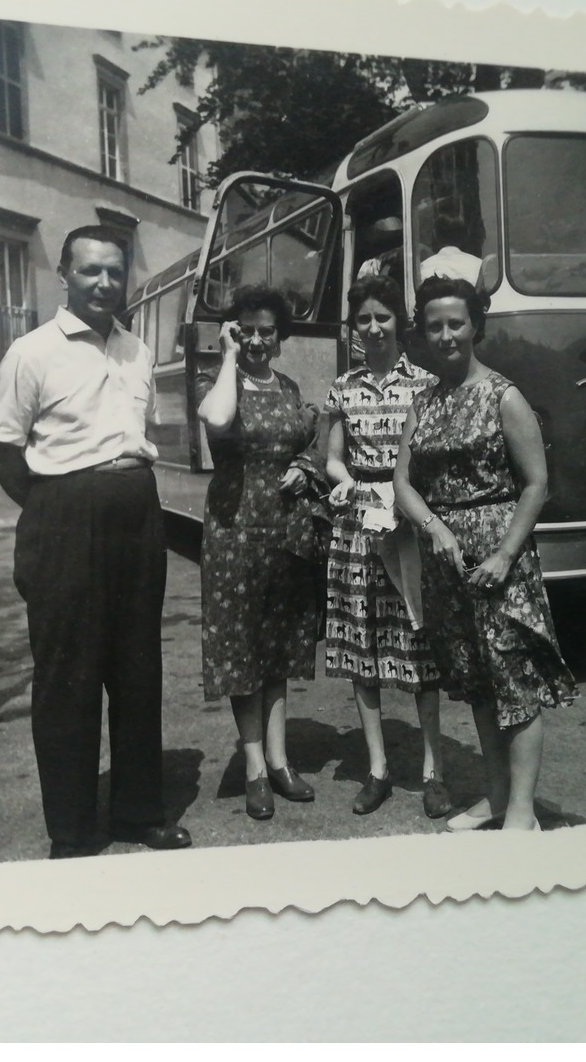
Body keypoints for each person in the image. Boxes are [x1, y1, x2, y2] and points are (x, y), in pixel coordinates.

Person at [0, 225, 191, 859]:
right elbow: (3, 450)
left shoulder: (138, 351)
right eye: (90, 271)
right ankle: (72, 830)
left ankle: (138, 812)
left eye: (114, 272)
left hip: (136, 514)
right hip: (63, 518)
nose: (104, 283)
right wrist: (56, 510)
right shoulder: (32, 352)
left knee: (136, 670)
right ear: (65, 277)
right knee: (67, 677)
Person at [392, 277, 578, 832]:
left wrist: (502, 555)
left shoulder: (504, 395)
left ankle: (522, 810)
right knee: (476, 679)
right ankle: (496, 797)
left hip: (501, 558)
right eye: (434, 326)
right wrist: (434, 527)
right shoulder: (422, 403)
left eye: (456, 323)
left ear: (475, 326)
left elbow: (536, 484)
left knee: (513, 680)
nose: (446, 335)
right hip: (446, 562)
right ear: (422, 335)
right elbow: (402, 482)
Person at [323, 276, 449, 818]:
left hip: (405, 522)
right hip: (356, 527)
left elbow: (430, 460)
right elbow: (331, 457)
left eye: (383, 318)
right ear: (353, 328)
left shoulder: (425, 384)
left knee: (418, 645)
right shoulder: (342, 387)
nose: (373, 329)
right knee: (363, 648)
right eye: (363, 320)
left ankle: (433, 771)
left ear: (400, 323)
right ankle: (377, 768)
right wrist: (343, 479)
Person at [196, 285, 324, 822]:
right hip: (234, 532)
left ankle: (279, 761)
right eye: (245, 329)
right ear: (232, 331)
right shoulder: (219, 381)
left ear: (280, 337)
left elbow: (312, 436)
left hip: (286, 534)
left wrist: (309, 465)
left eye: (265, 330)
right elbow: (219, 422)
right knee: (241, 649)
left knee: (277, 649)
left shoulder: (291, 386)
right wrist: (226, 356)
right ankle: (253, 768)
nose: (255, 339)